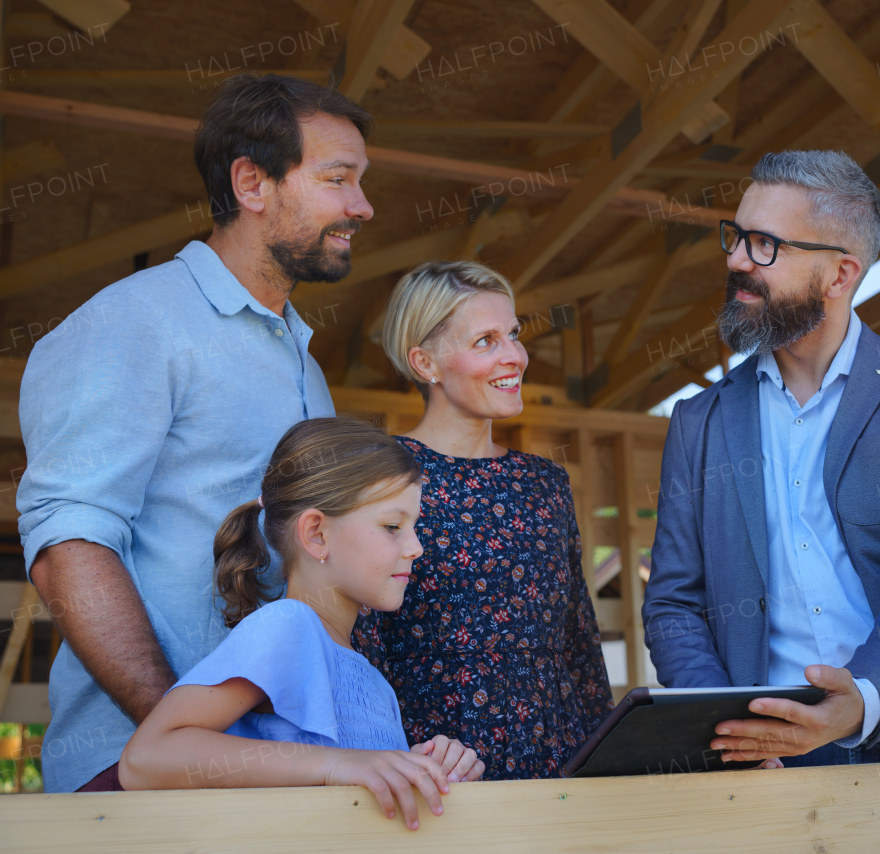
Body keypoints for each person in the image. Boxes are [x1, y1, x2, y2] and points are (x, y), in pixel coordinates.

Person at [17, 73, 376, 792]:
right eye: (338, 179)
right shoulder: (132, 323)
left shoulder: (305, 366)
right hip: (140, 777)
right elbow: (69, 550)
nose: (362, 207)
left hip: (278, 774)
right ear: (251, 183)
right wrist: (181, 743)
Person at [642, 150, 880, 766]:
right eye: (736, 237)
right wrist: (723, 722)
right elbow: (673, 603)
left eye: (765, 244)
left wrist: (865, 696)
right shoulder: (697, 423)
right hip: (764, 757)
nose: (737, 260)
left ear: (841, 274)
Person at [120, 418, 483, 829]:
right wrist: (337, 765)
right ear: (316, 535)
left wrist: (425, 770)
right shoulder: (288, 626)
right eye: (392, 527)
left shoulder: (371, 678)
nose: (415, 547)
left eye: (414, 527)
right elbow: (145, 759)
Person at [351, 260, 612, 780]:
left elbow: (579, 648)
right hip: (437, 773)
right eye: (486, 341)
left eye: (513, 335)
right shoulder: (379, 478)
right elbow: (363, 645)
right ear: (425, 363)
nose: (515, 355)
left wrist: (606, 759)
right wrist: (385, 759)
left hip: (558, 768)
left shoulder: (546, 485)